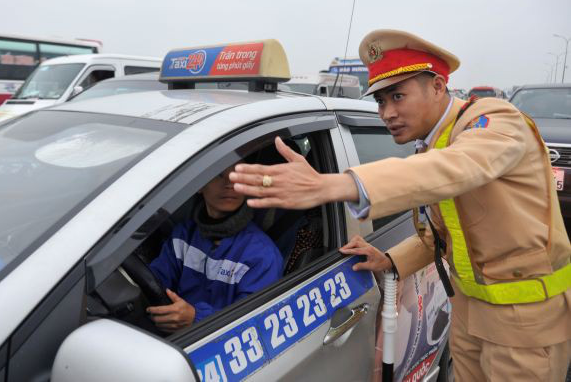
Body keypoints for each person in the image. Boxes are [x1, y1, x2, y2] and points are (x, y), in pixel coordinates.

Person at [230, 29, 571, 381]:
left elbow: (452, 168)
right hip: (469, 315)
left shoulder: (495, 121)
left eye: (397, 96)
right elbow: (442, 236)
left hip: (526, 323)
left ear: (438, 86)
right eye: (381, 101)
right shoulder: (431, 144)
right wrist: (390, 260)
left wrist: (331, 185)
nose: (387, 113)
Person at [147, 163, 283, 333]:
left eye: (236, 175)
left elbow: (253, 325)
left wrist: (196, 318)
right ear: (199, 185)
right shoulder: (183, 235)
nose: (230, 183)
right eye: (219, 174)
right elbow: (154, 284)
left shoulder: (262, 255)